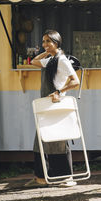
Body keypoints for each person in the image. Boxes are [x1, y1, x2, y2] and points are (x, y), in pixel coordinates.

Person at [26, 30, 80, 187]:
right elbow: (33, 61)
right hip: (45, 105)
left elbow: (75, 81)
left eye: (48, 41)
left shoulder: (61, 60)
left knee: (58, 141)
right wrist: (46, 52)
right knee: (40, 142)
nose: (44, 45)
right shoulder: (49, 60)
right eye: (43, 42)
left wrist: (59, 92)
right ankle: (40, 178)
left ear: (56, 42)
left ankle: (67, 178)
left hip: (55, 104)